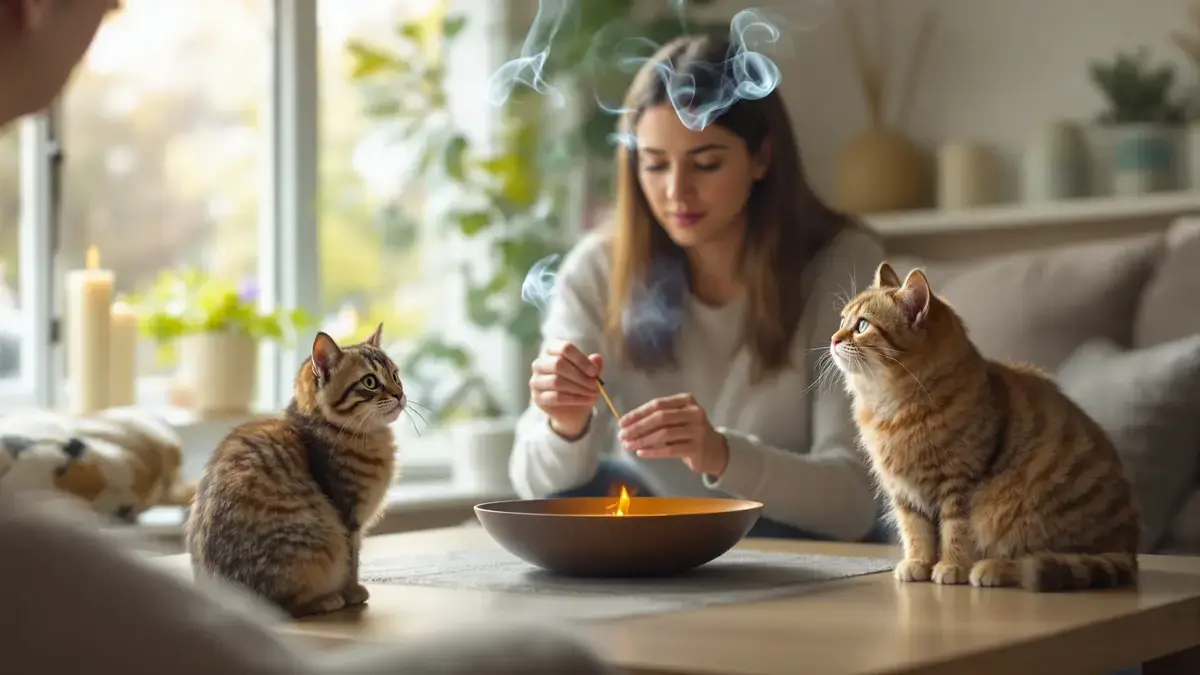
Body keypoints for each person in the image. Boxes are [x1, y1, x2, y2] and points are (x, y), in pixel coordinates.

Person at [0, 2, 614, 673]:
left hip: (253, 604)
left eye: (392, 382)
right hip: (282, 599)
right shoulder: (318, 446)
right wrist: (339, 585)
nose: (392, 395)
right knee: (551, 654)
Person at [510, 34, 887, 543]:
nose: (676, 192)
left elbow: (855, 506)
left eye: (706, 163)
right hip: (654, 536)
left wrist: (721, 454)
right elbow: (532, 485)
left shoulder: (842, 265)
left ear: (761, 158)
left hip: (793, 542)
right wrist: (566, 426)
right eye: (655, 163)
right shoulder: (596, 272)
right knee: (575, 496)